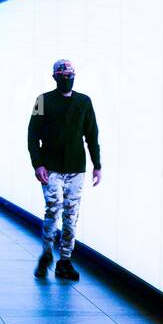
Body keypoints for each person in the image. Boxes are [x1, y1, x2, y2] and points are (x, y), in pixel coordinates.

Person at [28, 59, 101, 281]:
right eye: (63, 74)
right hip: (51, 168)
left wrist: (97, 165)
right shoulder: (42, 100)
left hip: (76, 168)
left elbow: (92, 135)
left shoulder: (84, 102)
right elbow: (32, 135)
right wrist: (38, 164)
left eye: (70, 74)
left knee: (71, 214)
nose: (67, 78)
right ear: (55, 77)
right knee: (53, 209)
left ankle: (65, 260)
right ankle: (47, 255)